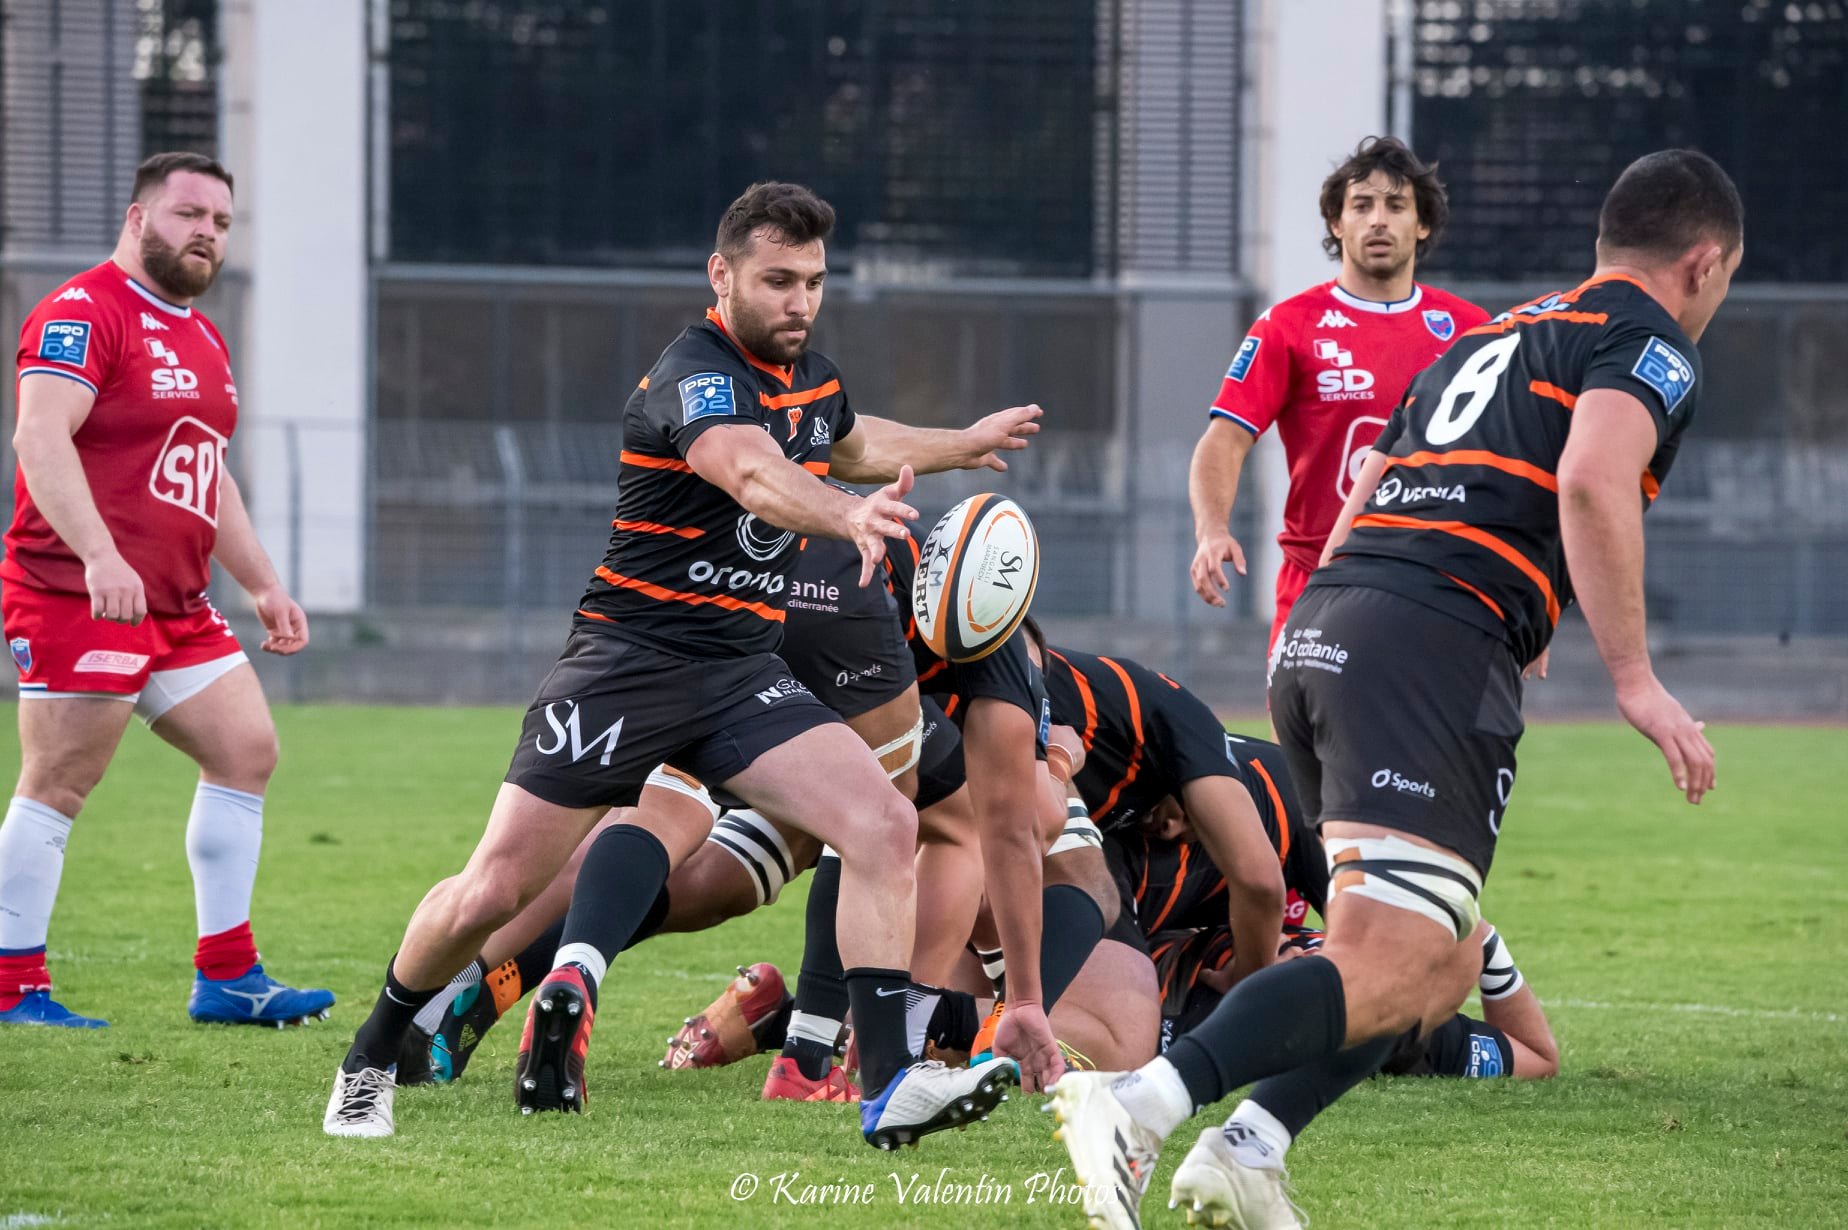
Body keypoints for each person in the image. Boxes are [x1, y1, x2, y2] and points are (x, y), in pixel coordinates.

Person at [1051, 148, 1742, 1229]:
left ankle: (1252, 1143)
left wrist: (1398, 612)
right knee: (1398, 953)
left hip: (1333, 622)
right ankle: (1141, 1104)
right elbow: (1594, 481)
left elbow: (1374, 479)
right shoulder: (1643, 339)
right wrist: (1635, 680)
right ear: (1704, 263)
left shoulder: (1497, 329)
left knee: (1440, 952)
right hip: (1426, 647)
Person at [322, 181, 1039, 1147]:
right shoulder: (692, 376)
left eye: (814, 282)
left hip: (742, 670)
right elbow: (750, 468)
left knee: (879, 822)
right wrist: (843, 514)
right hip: (627, 664)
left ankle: (889, 1088)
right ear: (722, 274)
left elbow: (854, 442)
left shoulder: (811, 377)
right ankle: (370, 1055)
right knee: (493, 889)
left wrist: (964, 443)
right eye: (777, 280)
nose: (799, 302)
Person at [1, 152, 330, 1029]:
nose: (206, 235)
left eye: (221, 223)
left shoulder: (200, 334)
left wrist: (261, 582)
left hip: (176, 606)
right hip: (77, 590)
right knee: (60, 781)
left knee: (246, 751)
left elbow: (204, 472)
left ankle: (227, 978)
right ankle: (10, 987)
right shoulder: (81, 311)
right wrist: (102, 555)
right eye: (189, 215)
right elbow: (39, 437)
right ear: (139, 218)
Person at [1188, 136, 1488, 651]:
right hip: (1321, 582)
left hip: (1438, 586)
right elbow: (1224, 440)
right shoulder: (1287, 326)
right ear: (1336, 223)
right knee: (1308, 736)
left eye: (1396, 206)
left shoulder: (1471, 331)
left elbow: (1504, 462)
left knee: (1428, 735)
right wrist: (1212, 529)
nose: (1378, 220)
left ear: (1421, 225)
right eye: (1361, 205)